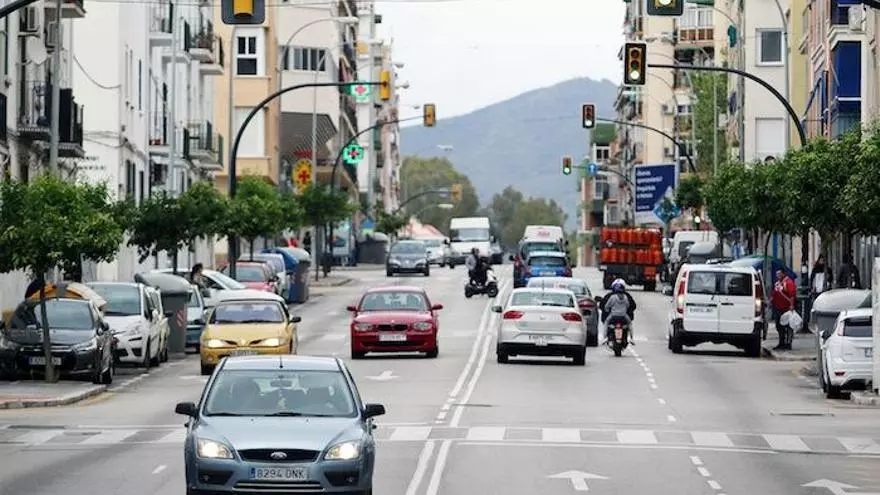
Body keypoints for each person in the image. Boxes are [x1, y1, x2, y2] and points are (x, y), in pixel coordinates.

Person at [600, 278, 637, 343]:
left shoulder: (611, 297)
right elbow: (629, 306)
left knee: (606, 323)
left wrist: (607, 310)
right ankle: (631, 338)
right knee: (630, 324)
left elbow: (605, 306)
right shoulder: (626, 297)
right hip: (624, 315)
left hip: (613, 315)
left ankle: (605, 338)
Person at [771, 269, 796, 350]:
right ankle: (781, 342)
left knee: (788, 326)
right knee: (779, 326)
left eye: (779, 273)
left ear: (783, 274)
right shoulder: (777, 283)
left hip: (786, 308)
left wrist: (791, 305)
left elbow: (792, 295)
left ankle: (788, 343)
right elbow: (774, 294)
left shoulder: (788, 282)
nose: (777, 275)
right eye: (777, 274)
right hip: (778, 308)